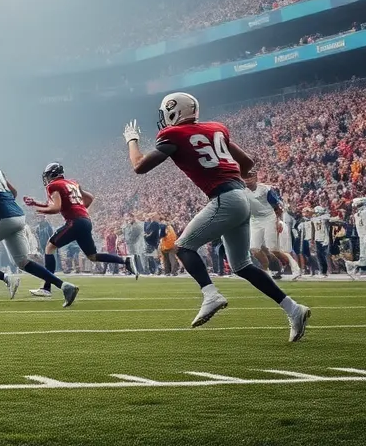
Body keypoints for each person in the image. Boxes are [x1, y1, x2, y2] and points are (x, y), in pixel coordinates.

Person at [124, 92, 310, 342]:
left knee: (183, 247)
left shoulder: (174, 134)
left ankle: (211, 294)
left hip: (225, 198)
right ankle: (293, 309)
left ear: (172, 110)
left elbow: (139, 166)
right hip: (241, 197)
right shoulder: (216, 128)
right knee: (242, 265)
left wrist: (132, 140)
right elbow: (247, 163)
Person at [0, 144, 75, 306]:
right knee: (22, 262)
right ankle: (64, 286)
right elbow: (13, 192)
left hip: (2, 217)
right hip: (18, 216)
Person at [25, 162, 136, 293]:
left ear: (53, 174)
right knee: (92, 256)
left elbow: (55, 208)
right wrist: (79, 209)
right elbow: (89, 198)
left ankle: (46, 288)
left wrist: (40, 210)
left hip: (74, 222)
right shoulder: (72, 183)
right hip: (85, 220)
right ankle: (125, 260)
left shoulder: (53, 185)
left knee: (50, 247)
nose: (47, 179)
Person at [245, 173, 300, 280]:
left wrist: (278, 221)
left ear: (255, 178)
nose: (247, 180)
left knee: (274, 250)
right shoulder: (242, 191)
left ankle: (295, 267)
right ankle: (268, 271)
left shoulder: (266, 189)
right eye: (245, 177)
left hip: (269, 218)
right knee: (255, 249)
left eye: (250, 177)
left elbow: (277, 207)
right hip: (255, 220)